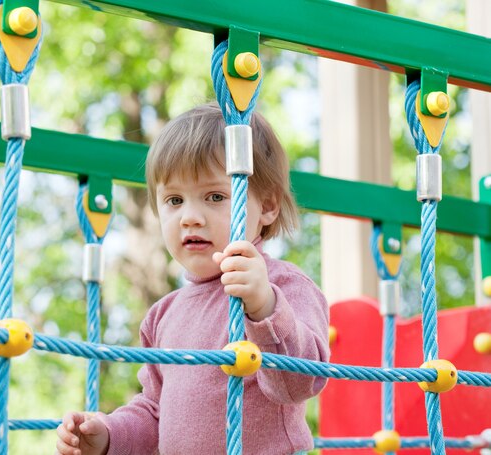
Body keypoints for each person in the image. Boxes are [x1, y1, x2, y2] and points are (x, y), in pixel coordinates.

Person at [55, 103, 330, 455]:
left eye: (215, 196)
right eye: (174, 200)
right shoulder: (164, 314)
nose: (190, 217)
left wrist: (264, 307)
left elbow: (300, 382)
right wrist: (109, 435)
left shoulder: (283, 286)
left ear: (268, 206)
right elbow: (154, 412)